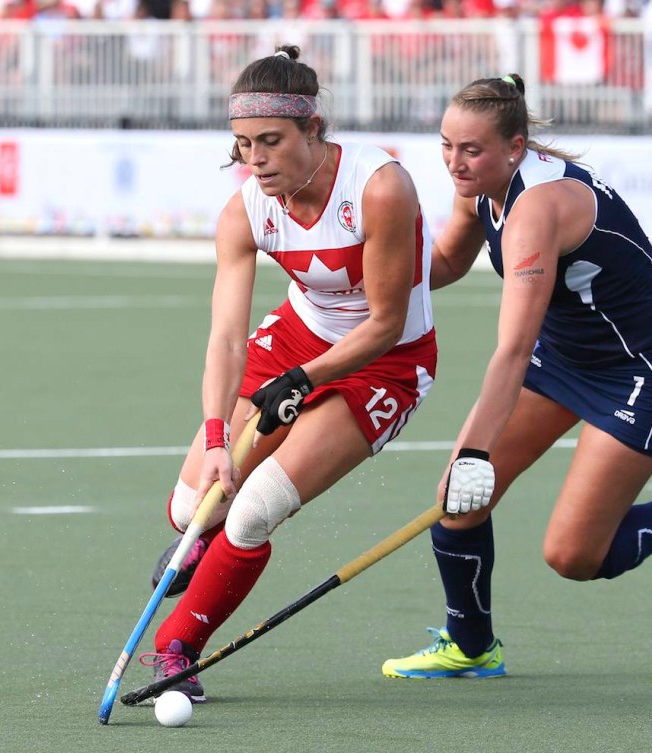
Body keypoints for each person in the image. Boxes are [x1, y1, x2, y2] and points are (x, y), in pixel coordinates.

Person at [380, 74, 652, 679]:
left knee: (574, 555)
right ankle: (471, 648)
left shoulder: (537, 209)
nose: (455, 162)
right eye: (446, 145)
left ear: (515, 147)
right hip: (567, 355)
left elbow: (513, 348)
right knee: (457, 501)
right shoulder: (477, 188)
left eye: (471, 150)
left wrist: (475, 451)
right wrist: (359, 279)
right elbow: (444, 262)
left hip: (640, 369)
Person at [136, 44, 438, 703]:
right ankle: (200, 539)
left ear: (314, 128)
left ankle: (177, 648)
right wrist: (218, 436)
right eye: (242, 144)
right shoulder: (244, 209)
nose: (255, 160)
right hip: (296, 339)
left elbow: (385, 323)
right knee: (192, 505)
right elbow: (225, 335)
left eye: (270, 141)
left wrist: (302, 380)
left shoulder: (379, 187)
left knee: (253, 509)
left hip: (387, 362)